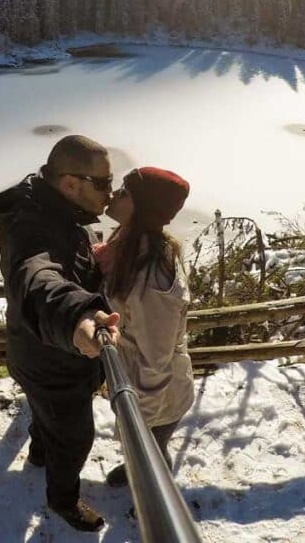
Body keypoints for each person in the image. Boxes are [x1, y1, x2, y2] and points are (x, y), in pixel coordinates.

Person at [0, 135, 121, 533]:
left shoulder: (51, 209)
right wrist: (74, 315)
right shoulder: (35, 224)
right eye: (103, 184)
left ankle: (40, 451)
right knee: (75, 438)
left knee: (47, 415)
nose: (110, 195)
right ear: (69, 183)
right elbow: (37, 276)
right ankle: (62, 499)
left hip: (33, 352)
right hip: (54, 362)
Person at [94, 166, 195, 488]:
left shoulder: (152, 279)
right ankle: (135, 467)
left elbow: (157, 358)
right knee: (140, 449)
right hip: (135, 378)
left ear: (142, 208)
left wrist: (138, 417)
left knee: (150, 449)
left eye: (124, 192)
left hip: (157, 391)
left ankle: (156, 496)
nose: (114, 195)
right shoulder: (128, 244)